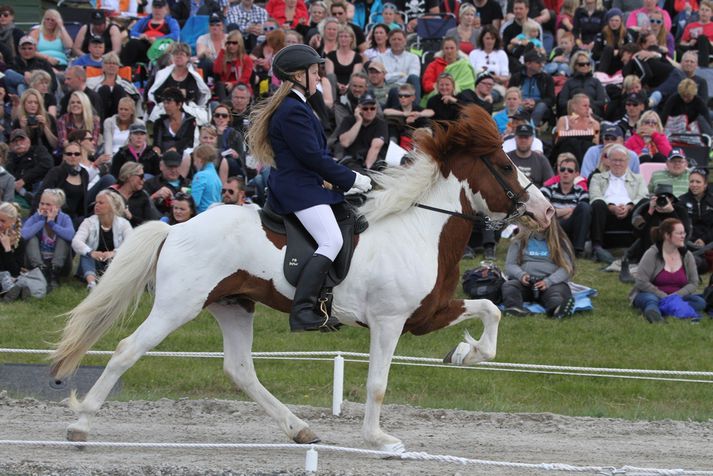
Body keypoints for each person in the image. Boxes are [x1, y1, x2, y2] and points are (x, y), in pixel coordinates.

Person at [246, 44, 372, 332]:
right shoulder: (293, 110)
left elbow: (320, 157)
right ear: (297, 76)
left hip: (306, 184)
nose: (318, 78)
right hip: (298, 190)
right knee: (331, 241)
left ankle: (326, 301)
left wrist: (344, 178)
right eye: (314, 72)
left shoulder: (299, 106)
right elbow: (312, 158)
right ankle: (303, 310)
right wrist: (351, 180)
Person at [629, 218, 705, 323]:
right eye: (679, 233)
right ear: (667, 235)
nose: (684, 236)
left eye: (684, 233)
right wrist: (663, 296)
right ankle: (655, 313)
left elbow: (694, 282)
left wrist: (675, 296)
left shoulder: (687, 255)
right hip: (654, 294)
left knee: (699, 302)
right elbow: (641, 281)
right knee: (649, 300)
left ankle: (660, 309)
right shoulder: (652, 254)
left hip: (678, 296)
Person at [501, 221, 577, 319]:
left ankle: (558, 310)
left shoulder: (560, 241)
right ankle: (514, 309)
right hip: (526, 284)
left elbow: (567, 268)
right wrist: (521, 275)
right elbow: (510, 265)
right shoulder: (519, 240)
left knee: (557, 294)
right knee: (509, 286)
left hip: (551, 284)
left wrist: (549, 281)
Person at [588, 144, 649, 263]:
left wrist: (629, 206)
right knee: (598, 203)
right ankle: (597, 247)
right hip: (606, 213)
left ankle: (642, 247)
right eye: (614, 160)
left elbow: (643, 195)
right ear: (608, 161)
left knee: (645, 203)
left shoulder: (638, 178)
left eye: (621, 160)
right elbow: (595, 196)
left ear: (627, 162)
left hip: (631, 213)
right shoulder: (597, 178)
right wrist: (612, 207)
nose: (617, 163)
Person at [72, 189, 132, 291]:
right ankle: (91, 284)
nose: (96, 205)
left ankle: (112, 282)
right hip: (94, 263)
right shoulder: (88, 222)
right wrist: (92, 253)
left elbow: (131, 243)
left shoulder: (124, 224)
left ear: (112, 206)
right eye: (96, 202)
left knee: (121, 258)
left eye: (101, 203)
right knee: (86, 253)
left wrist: (114, 253)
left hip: (113, 262)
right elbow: (76, 242)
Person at [21, 188, 74, 291]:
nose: (44, 207)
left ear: (57, 207)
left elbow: (70, 236)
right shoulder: (36, 217)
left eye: (48, 204)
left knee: (63, 238)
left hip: (60, 266)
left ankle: (54, 274)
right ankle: (42, 272)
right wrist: (41, 221)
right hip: (36, 264)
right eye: (42, 203)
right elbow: (24, 235)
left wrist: (52, 224)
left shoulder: (64, 218)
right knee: (31, 238)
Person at [540, 155, 591, 257]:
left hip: (571, 228)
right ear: (559, 171)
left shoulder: (582, 192)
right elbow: (543, 211)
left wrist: (556, 212)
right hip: (552, 227)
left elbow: (583, 212)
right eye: (562, 169)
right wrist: (569, 210)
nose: (565, 172)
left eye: (570, 170)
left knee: (585, 207)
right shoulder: (547, 189)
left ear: (576, 174)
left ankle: (578, 250)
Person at [34, 141, 89, 230]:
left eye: (77, 154)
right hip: (54, 217)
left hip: (74, 218)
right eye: (69, 154)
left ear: (81, 156)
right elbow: (41, 194)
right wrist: (35, 218)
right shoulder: (56, 172)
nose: (73, 156)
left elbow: (83, 201)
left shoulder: (84, 173)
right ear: (64, 156)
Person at [336, 94, 388, 170]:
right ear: (359, 109)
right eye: (365, 108)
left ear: (376, 109)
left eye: (372, 108)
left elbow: (375, 147)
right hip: (351, 160)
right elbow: (345, 143)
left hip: (372, 162)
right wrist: (359, 121)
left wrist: (367, 169)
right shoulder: (348, 120)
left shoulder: (381, 124)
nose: (369, 111)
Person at [86, 52, 143, 121]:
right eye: (108, 63)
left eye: (114, 63)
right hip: (99, 113)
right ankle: (100, 126)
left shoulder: (125, 83)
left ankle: (120, 123)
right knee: (104, 89)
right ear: (103, 66)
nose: (111, 66)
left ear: (118, 67)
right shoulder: (91, 81)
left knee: (118, 89)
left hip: (120, 113)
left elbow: (136, 98)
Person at [122, 0, 180, 66]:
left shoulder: (171, 21)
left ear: (166, 9)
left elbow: (175, 35)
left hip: (160, 46)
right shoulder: (145, 20)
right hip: (145, 44)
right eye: (155, 7)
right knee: (132, 43)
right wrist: (141, 35)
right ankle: (126, 67)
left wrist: (157, 39)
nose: (157, 10)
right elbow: (133, 32)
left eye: (160, 8)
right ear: (152, 8)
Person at [508, 49, 554, 128]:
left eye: (542, 62)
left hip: (539, 107)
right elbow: (509, 94)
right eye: (538, 63)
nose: (542, 65)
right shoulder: (516, 77)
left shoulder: (547, 78)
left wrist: (535, 102)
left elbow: (551, 99)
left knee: (541, 106)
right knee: (513, 104)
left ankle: (530, 129)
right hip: (520, 105)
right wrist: (520, 102)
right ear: (528, 64)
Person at [6, 129, 53, 205]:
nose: (18, 143)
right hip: (20, 192)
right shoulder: (10, 159)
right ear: (11, 145)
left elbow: (47, 164)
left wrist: (24, 180)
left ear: (28, 141)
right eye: (15, 141)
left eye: (21, 140)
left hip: (40, 185)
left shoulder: (39, 150)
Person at [556, 51, 607, 118]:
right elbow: (562, 102)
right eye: (582, 64)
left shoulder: (596, 81)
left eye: (588, 64)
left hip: (592, 113)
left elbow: (601, 101)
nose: (585, 66)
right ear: (575, 66)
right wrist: (577, 106)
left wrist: (586, 106)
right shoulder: (569, 82)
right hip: (573, 114)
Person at [111, 162, 161, 227]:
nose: (144, 179)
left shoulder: (143, 196)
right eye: (141, 176)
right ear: (129, 176)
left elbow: (150, 223)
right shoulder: (110, 194)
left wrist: (132, 218)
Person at [554, 93, 600, 161]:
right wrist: (571, 128)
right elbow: (557, 142)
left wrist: (592, 124)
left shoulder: (594, 124)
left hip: (585, 156)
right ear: (574, 107)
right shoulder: (563, 120)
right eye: (584, 106)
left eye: (589, 106)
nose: (588, 109)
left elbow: (595, 145)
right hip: (566, 155)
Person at [152, 87, 198, 155]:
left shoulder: (190, 121)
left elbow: (187, 140)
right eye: (164, 103)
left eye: (168, 103)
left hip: (185, 157)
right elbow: (157, 143)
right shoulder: (159, 122)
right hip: (164, 157)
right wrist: (156, 151)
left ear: (179, 104)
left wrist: (174, 149)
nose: (165, 106)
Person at [11, 88, 58, 154]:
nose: (33, 105)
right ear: (24, 104)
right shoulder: (18, 120)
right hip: (26, 155)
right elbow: (15, 147)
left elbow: (55, 144)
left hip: (46, 154)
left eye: (36, 103)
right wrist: (23, 128)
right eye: (30, 102)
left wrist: (45, 127)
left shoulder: (49, 118)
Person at [144, 151, 190, 217]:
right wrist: (154, 196)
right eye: (170, 167)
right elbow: (141, 207)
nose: (173, 170)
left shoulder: (188, 183)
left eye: (176, 167)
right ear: (161, 166)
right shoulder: (150, 184)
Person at [213, 30, 254, 102]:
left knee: (237, 87)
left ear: (239, 44)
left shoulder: (246, 59)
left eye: (234, 43)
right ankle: (225, 104)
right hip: (225, 87)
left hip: (241, 86)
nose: (231, 45)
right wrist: (222, 50)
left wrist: (233, 84)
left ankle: (225, 105)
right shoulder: (223, 56)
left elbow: (245, 79)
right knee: (219, 84)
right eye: (229, 43)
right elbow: (216, 70)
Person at [0, 201, 29, 301]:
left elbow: (16, 271)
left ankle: (13, 290)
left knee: (16, 277)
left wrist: (7, 248)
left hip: (11, 277)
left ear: (12, 222)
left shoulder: (20, 241)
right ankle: (12, 291)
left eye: (3, 221)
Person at [468, 26, 510, 94]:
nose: (490, 41)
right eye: (487, 38)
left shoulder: (501, 54)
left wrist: (497, 78)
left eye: (492, 39)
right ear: (482, 39)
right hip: (477, 85)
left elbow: (505, 77)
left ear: (496, 40)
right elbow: (470, 74)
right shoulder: (474, 53)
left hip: (496, 86)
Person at [326, 25, 364, 97]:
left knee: (356, 81)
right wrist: (338, 85)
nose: (343, 39)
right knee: (331, 77)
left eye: (346, 36)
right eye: (341, 36)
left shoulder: (357, 57)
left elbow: (355, 76)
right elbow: (330, 75)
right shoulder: (330, 56)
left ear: (352, 39)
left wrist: (347, 86)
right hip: (333, 87)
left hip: (351, 88)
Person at [190, 143, 222, 213]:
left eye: (195, 160)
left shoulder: (200, 176)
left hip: (202, 216)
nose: (194, 164)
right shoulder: (217, 178)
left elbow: (194, 202)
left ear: (200, 159)